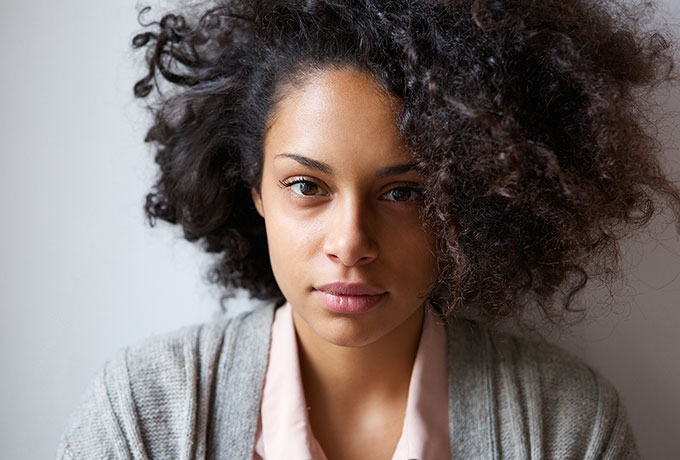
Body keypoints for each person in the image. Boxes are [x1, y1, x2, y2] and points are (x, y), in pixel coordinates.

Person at [56, 0, 680, 459]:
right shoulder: (143, 413)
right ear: (255, 192)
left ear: (469, 204)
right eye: (306, 186)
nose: (351, 241)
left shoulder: (566, 426)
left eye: (404, 192)